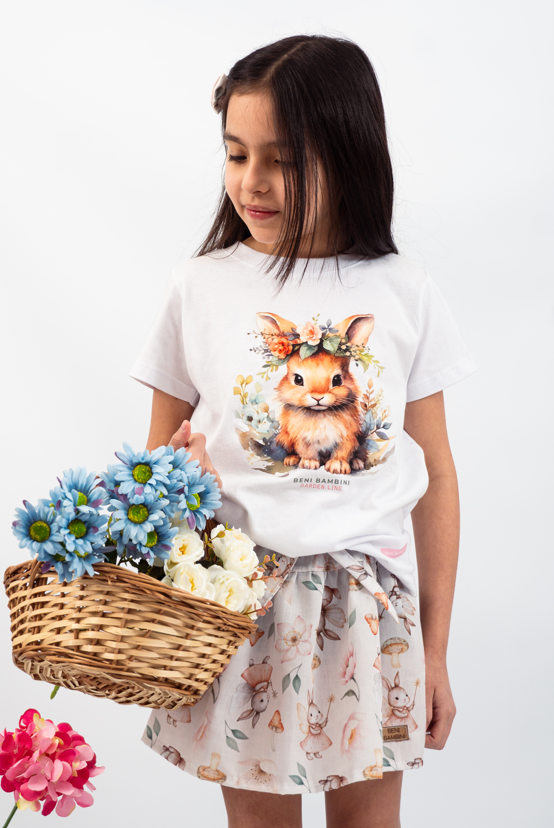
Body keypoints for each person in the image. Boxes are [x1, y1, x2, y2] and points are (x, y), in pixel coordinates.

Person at [129, 34, 477, 828]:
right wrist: (178, 487)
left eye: (282, 161)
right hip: (238, 605)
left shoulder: (403, 289)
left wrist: (435, 649)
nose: (251, 182)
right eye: (235, 154)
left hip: (369, 611)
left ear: (349, 157)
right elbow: (150, 469)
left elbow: (438, 477)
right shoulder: (199, 287)